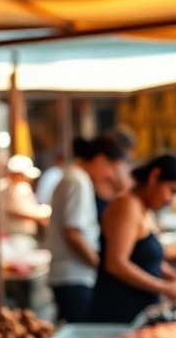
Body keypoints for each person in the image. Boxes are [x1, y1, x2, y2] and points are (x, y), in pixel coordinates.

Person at [87, 155, 176, 324]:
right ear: (154, 176)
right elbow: (116, 264)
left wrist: (173, 276)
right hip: (119, 310)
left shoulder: (144, 208)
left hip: (139, 308)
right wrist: (163, 287)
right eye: (172, 191)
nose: (171, 200)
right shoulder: (126, 206)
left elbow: (145, 258)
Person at [43, 135, 127, 323]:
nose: (111, 176)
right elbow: (73, 233)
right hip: (73, 276)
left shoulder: (75, 178)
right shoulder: (77, 181)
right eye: (112, 168)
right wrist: (100, 266)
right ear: (100, 159)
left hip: (71, 275)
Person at [0, 154, 51, 239]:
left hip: (26, 234)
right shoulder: (4, 187)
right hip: (14, 235)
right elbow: (13, 211)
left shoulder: (23, 187)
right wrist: (38, 217)